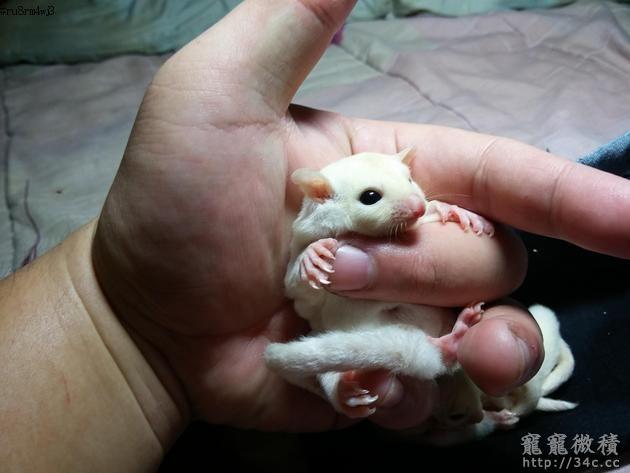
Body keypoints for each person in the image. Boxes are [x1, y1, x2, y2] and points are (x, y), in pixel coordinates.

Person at [1, 0, 629, 470]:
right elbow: (304, 296)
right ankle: (415, 368)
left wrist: (456, 215)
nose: (413, 201)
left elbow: (416, 207)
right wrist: (128, 325)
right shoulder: (311, 222)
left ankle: (446, 364)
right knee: (355, 360)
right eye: (378, 197)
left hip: (417, 342)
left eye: (409, 185)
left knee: (444, 347)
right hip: (351, 338)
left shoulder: (394, 200)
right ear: (320, 196)